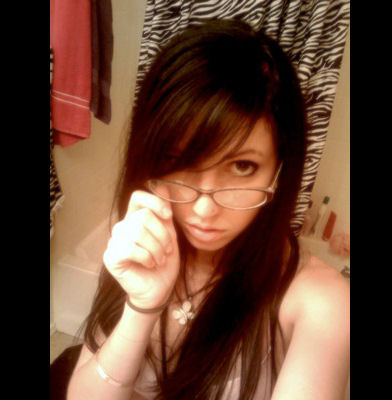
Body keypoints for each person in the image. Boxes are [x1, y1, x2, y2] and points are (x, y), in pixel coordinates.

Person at [67, 19, 349, 400]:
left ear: (279, 170)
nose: (204, 207)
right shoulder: (142, 237)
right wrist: (142, 307)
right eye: (178, 160)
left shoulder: (323, 302)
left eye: (242, 166)